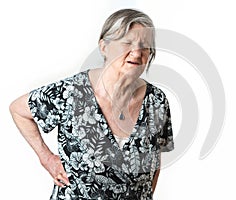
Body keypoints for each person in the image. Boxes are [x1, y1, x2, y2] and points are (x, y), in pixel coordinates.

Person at [10, 8, 174, 200]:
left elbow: (155, 164)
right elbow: (18, 110)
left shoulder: (156, 100)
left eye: (144, 45)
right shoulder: (72, 92)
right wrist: (46, 158)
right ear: (104, 47)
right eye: (127, 42)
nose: (137, 52)